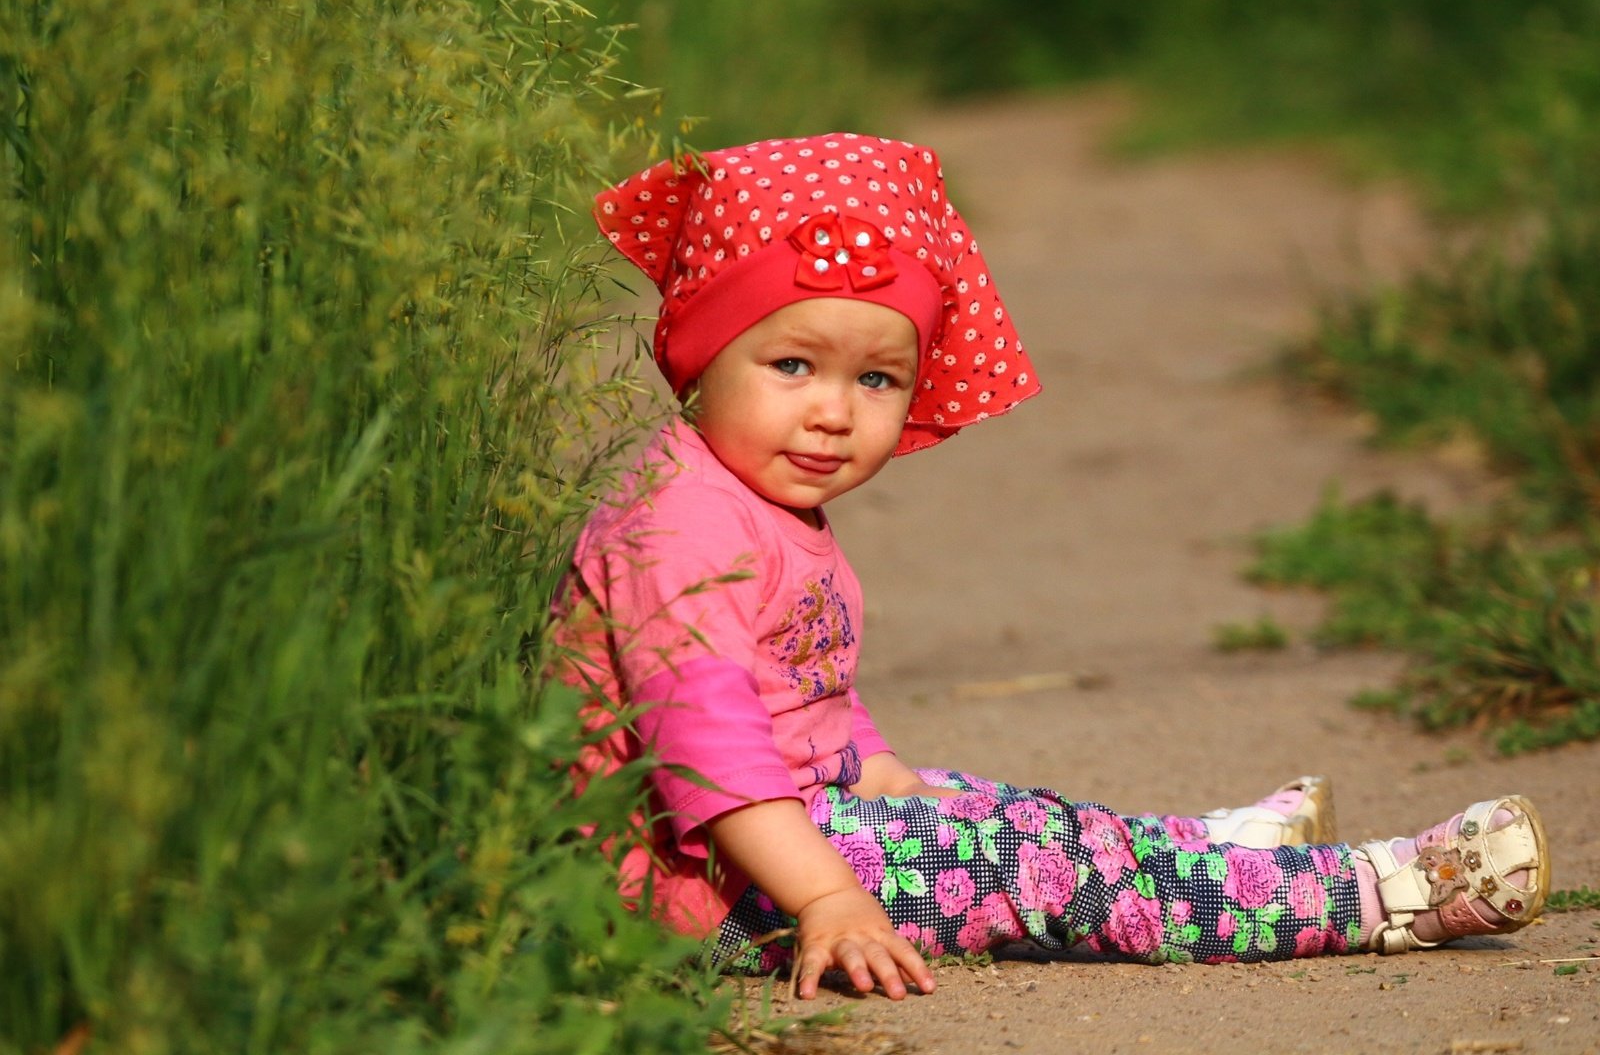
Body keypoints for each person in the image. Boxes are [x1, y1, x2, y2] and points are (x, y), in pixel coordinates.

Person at [552, 133, 1550, 1000]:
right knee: (1035, 867)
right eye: (792, 366)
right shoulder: (676, 528)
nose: (833, 411)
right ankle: (1390, 892)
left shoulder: (755, 492)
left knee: (992, 812)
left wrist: (879, 768)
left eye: (876, 379)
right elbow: (706, 751)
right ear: (700, 353)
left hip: (784, 827)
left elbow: (796, 675)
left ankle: (1223, 850)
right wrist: (829, 898)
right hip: (694, 888)